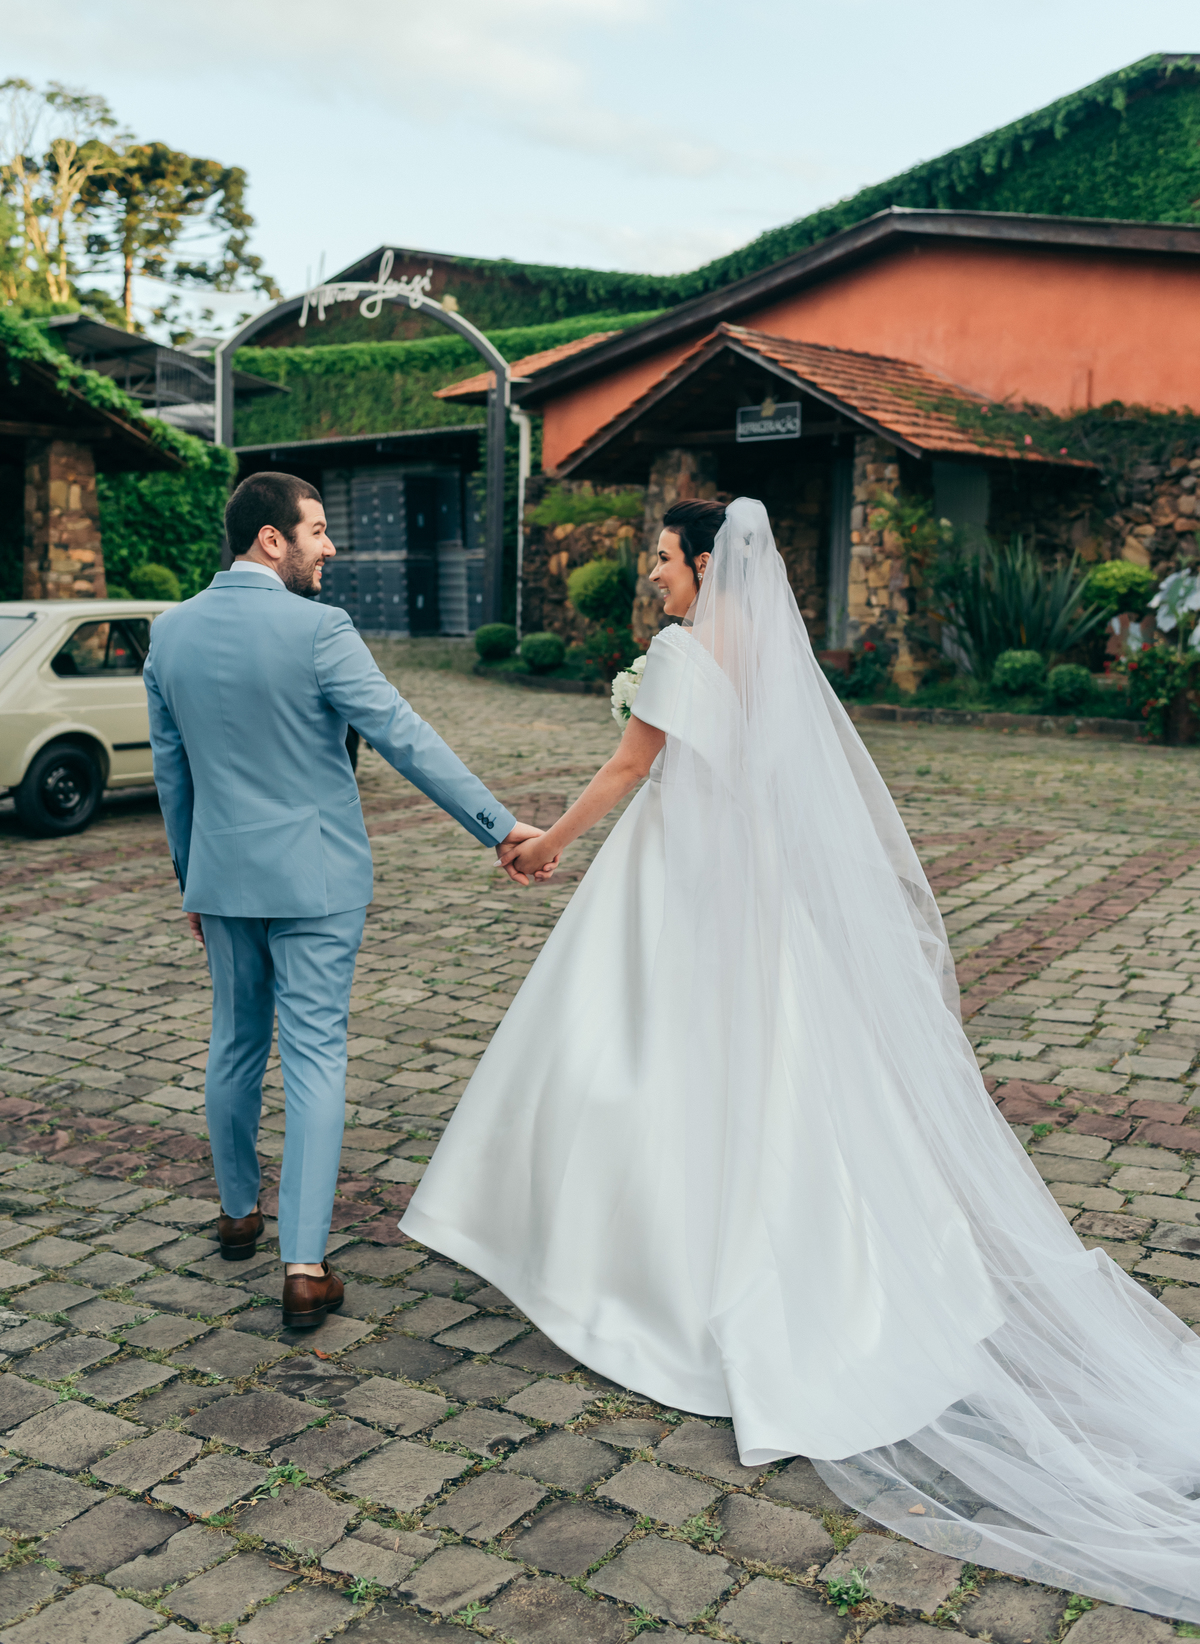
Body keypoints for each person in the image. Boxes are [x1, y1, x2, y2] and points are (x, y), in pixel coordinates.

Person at [405, 496, 1200, 1621]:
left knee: (627, 1060)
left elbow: (630, 768)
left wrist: (547, 845)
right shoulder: (771, 661)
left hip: (678, 886)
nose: (653, 577)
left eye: (662, 560)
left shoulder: (680, 653)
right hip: (754, 895)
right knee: (776, 1082)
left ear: (704, 564)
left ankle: (622, 1268)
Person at [145, 470, 551, 1329]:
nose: (330, 546)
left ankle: (237, 1213)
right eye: (319, 529)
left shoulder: (170, 632)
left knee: (234, 1042)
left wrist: (192, 879)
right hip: (317, 881)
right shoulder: (320, 629)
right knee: (315, 1058)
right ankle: (303, 1266)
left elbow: (172, 776)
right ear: (272, 539)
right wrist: (497, 824)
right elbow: (403, 735)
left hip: (221, 879)